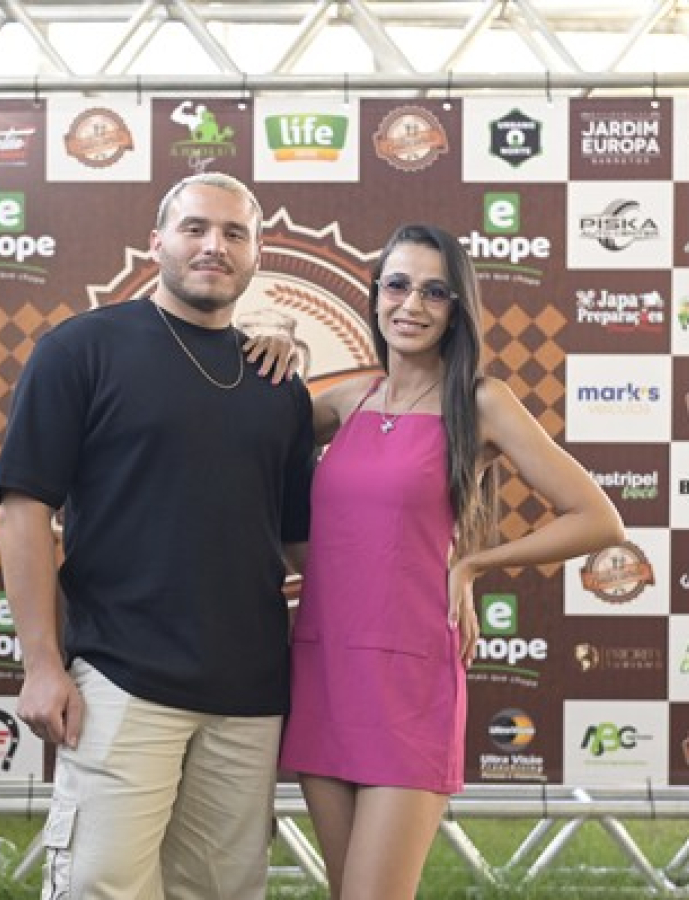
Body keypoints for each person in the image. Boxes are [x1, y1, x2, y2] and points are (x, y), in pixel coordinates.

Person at [0, 173, 314, 899]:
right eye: (195, 228)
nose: (213, 245)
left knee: (223, 892)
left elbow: (303, 542)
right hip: (120, 677)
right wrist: (41, 663)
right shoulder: (81, 349)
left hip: (250, 690)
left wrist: (438, 578)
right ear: (156, 241)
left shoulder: (278, 384)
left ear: (257, 255)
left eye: (234, 233)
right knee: (99, 886)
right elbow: (22, 509)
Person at [277, 223, 625, 899]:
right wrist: (265, 353)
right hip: (324, 666)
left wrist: (471, 567)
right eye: (397, 285)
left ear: (455, 308)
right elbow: (241, 435)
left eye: (433, 292)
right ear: (375, 295)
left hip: (411, 676)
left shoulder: (480, 402)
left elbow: (597, 518)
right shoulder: (347, 401)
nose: (411, 304)